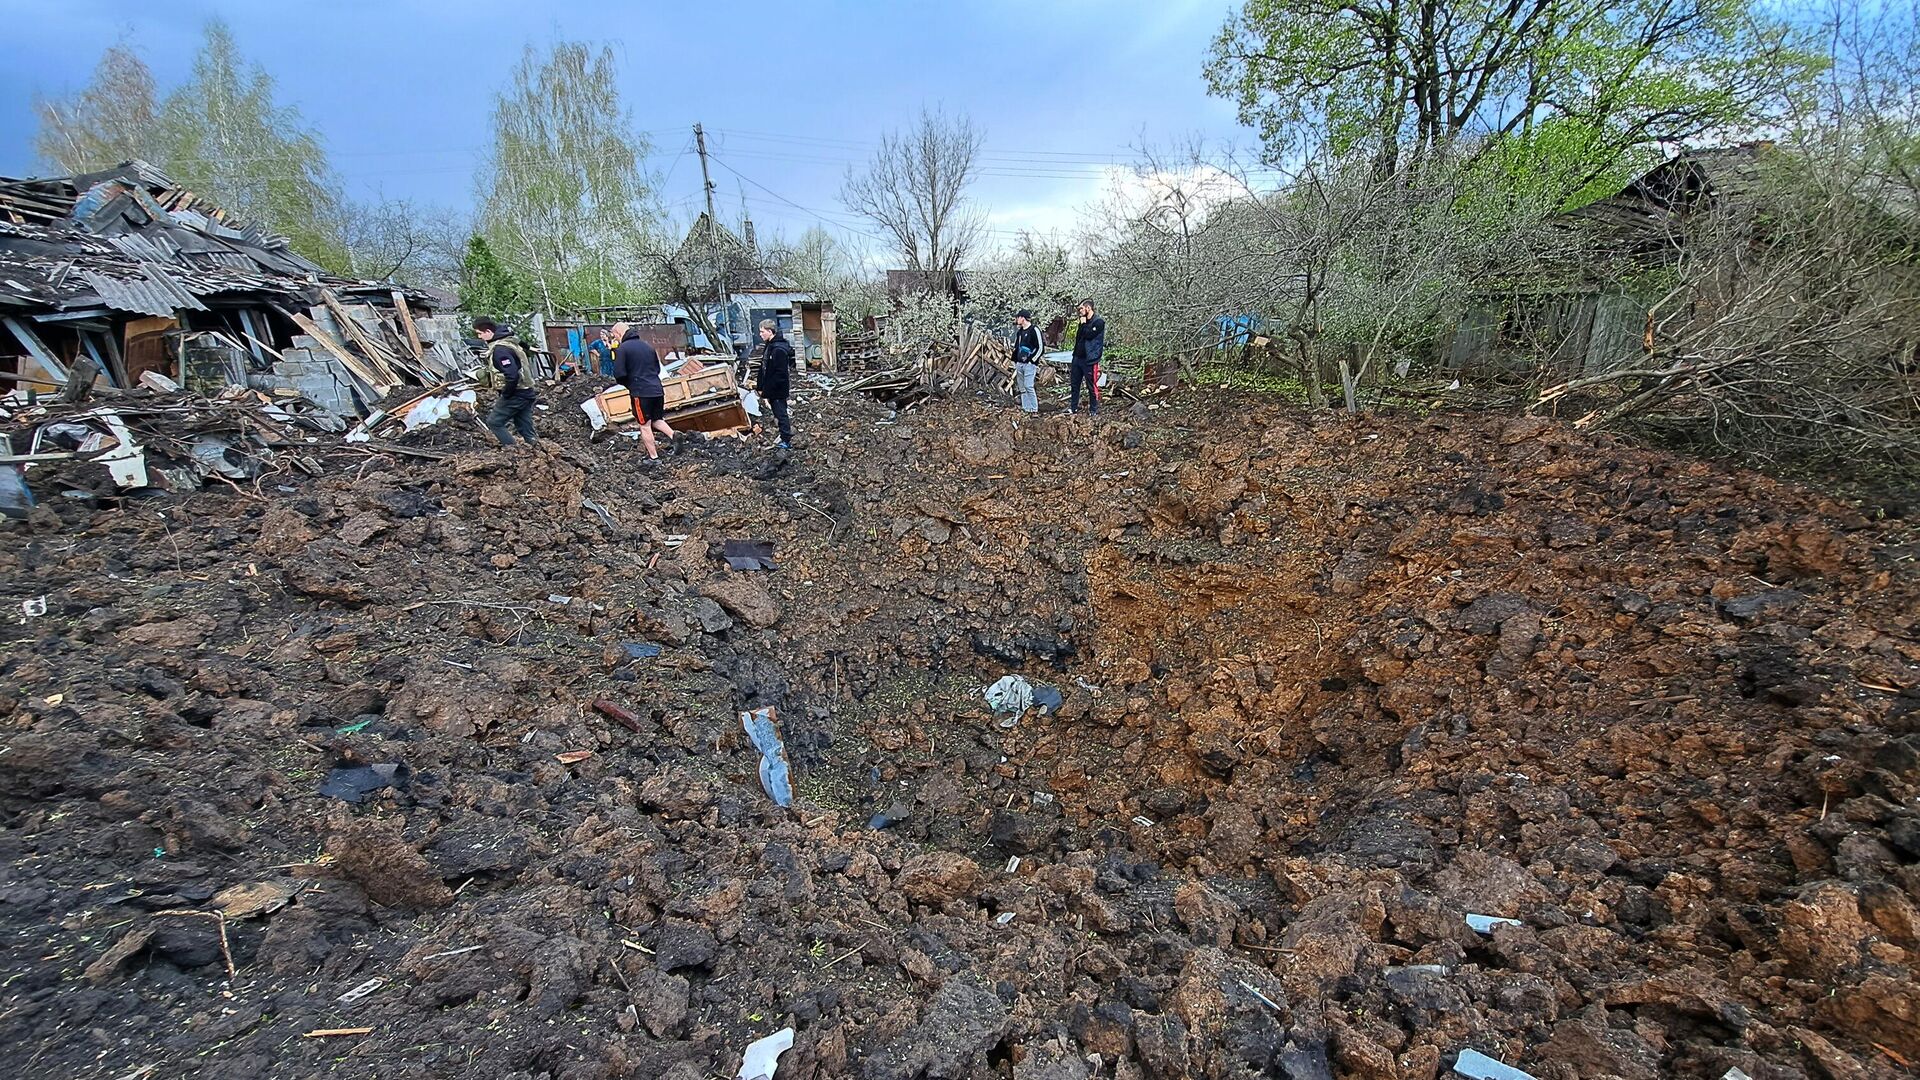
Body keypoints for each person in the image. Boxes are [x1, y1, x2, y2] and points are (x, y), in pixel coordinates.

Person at [612, 321, 676, 459]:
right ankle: (674, 436)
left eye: (615, 336)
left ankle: (654, 457)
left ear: (618, 333)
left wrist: (629, 384)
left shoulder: (623, 349)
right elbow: (657, 369)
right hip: (657, 390)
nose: (615, 339)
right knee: (657, 419)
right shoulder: (648, 347)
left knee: (644, 425)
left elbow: (619, 374)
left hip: (641, 392)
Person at [473, 317, 538, 448]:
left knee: (494, 422)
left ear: (488, 331)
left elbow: (512, 375)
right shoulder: (509, 340)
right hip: (527, 391)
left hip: (517, 393)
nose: (479, 337)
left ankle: (513, 451)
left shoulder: (500, 350)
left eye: (480, 333)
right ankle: (536, 448)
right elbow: (522, 342)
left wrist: (506, 395)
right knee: (524, 426)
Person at [752, 319, 795, 449]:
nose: (760, 334)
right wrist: (760, 386)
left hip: (777, 390)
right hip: (771, 389)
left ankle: (786, 441)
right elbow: (764, 368)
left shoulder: (778, 349)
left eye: (762, 331)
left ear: (770, 331)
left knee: (781, 414)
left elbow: (780, 374)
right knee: (778, 413)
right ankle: (784, 437)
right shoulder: (769, 346)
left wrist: (768, 390)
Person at [1070, 299, 1105, 416]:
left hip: (1090, 359)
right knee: (1075, 384)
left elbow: (1090, 335)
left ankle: (1093, 409)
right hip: (1077, 358)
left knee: (1091, 385)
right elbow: (1080, 337)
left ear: (1088, 308)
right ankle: (1073, 407)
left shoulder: (1099, 322)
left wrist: (1084, 324)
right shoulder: (1082, 322)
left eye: (1081, 308)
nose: (1080, 311)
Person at [1012, 309, 1043, 414]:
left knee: (1029, 385)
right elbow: (1017, 346)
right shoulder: (1020, 332)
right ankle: (1026, 408)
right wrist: (1015, 360)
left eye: (1018, 317)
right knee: (1022, 387)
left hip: (1029, 364)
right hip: (1020, 363)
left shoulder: (1034, 330)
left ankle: (1034, 409)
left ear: (1023, 318)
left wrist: (1032, 360)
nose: (1017, 320)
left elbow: (1040, 348)